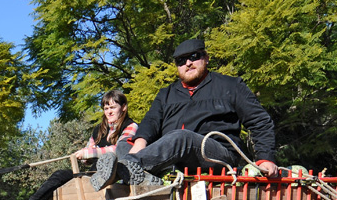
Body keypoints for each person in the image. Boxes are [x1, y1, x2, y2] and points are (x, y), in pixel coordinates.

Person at [91, 38, 279, 191]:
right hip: (172, 158)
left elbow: (260, 121)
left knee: (181, 138)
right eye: (181, 61)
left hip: (216, 154)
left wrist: (265, 158)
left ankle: (122, 169)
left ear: (206, 58)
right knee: (125, 142)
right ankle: (140, 175)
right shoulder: (166, 94)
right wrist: (138, 144)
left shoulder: (230, 86)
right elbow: (150, 123)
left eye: (194, 57)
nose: (187, 63)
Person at [9, 90, 139, 200]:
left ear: (123, 107)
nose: (109, 112)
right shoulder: (99, 130)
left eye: (113, 107)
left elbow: (120, 149)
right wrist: (85, 158)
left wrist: (88, 153)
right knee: (60, 175)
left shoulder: (131, 126)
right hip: (93, 175)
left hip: (117, 177)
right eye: (106, 108)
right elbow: (89, 150)